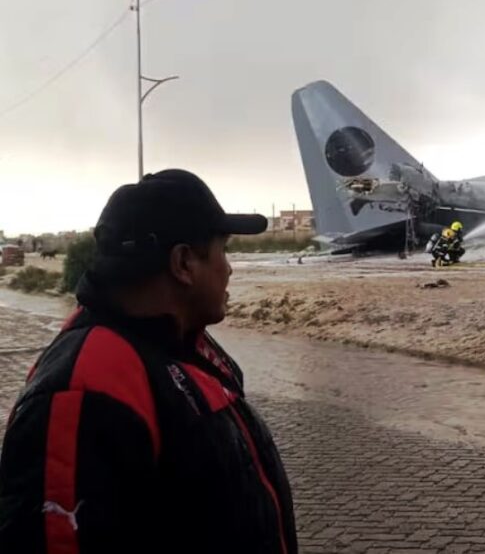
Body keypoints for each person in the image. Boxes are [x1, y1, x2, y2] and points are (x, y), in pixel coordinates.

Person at [0, 170, 297, 553]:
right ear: (183, 263)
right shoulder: (86, 386)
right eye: (223, 249)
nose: (229, 267)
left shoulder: (182, 346)